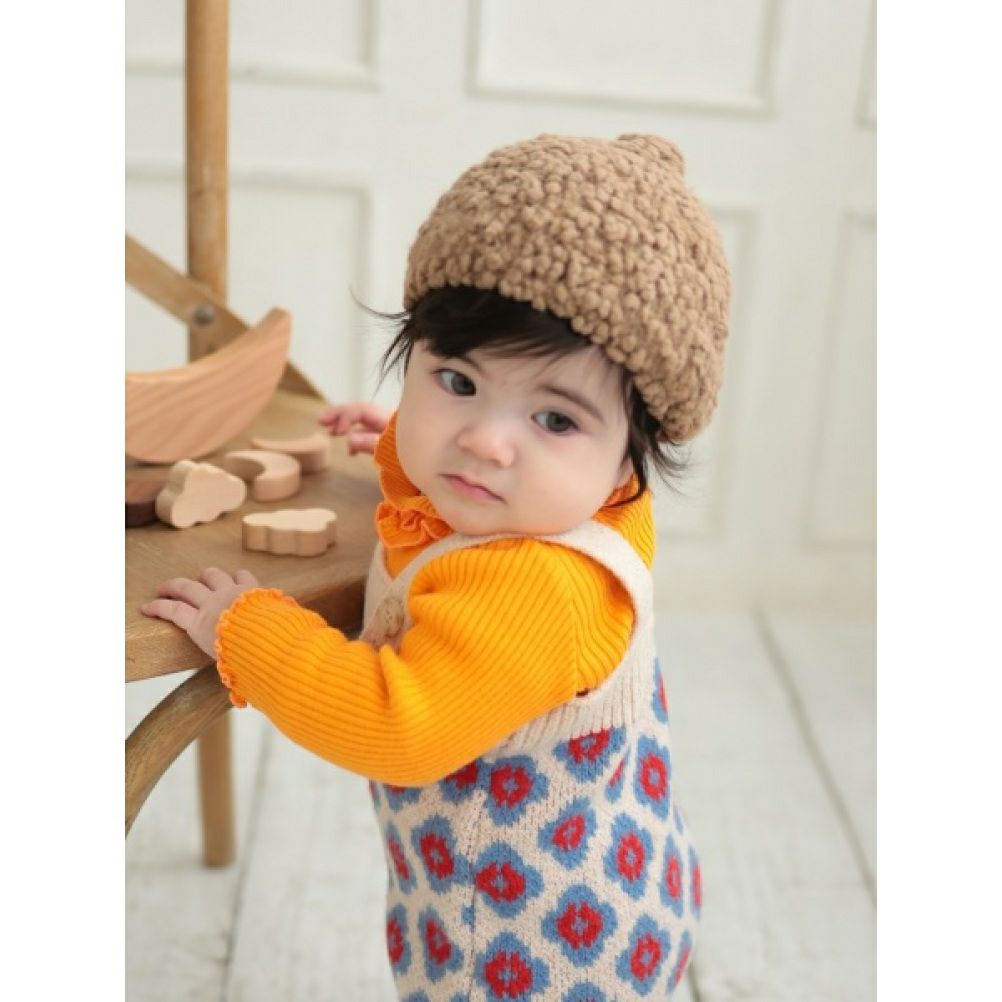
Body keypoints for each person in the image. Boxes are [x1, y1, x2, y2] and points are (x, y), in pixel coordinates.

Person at [142, 133, 730, 1000]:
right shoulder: (580, 501)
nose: (485, 443)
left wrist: (251, 630)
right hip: (627, 894)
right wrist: (396, 438)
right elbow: (477, 485)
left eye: (555, 420)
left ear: (630, 460)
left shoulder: (535, 589)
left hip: (529, 959)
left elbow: (396, 726)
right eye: (457, 383)